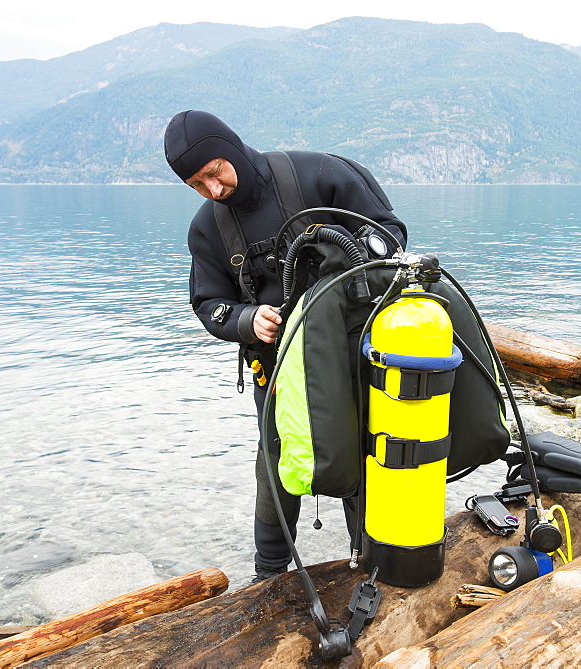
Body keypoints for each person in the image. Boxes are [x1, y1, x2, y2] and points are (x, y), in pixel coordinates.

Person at [163, 110, 407, 582]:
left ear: (229, 149)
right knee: (277, 465)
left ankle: (372, 562)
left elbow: (391, 234)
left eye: (215, 171)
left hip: (355, 357)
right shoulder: (208, 228)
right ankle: (269, 576)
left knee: (365, 454)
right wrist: (246, 320)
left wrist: (346, 261)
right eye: (197, 184)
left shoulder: (321, 175)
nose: (213, 189)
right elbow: (208, 303)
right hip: (275, 371)